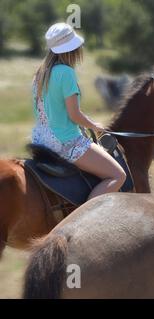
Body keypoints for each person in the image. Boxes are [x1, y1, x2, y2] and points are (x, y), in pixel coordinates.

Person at [32, 23, 126, 200]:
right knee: (118, 176)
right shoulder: (66, 72)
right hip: (66, 141)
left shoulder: (40, 73)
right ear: (71, 50)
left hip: (41, 139)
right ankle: (84, 221)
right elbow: (74, 115)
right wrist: (95, 126)